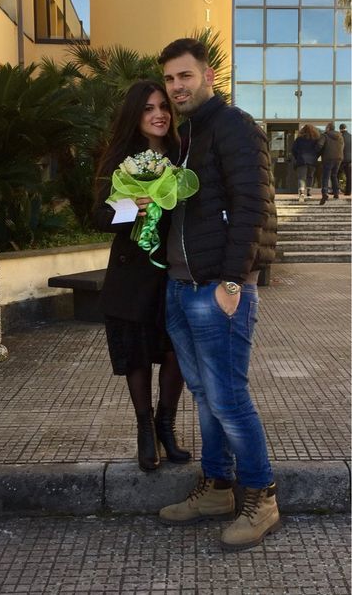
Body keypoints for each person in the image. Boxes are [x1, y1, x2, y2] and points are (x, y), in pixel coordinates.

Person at [156, 38, 279, 551]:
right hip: (182, 286)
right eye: (169, 79)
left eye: (184, 76)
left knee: (228, 398)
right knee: (206, 397)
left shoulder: (234, 126)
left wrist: (233, 281)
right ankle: (218, 487)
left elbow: (253, 205)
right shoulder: (185, 137)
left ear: (207, 76)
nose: (176, 87)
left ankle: (262, 497)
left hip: (218, 289)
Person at [92, 80, 191, 473]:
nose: (159, 114)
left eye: (163, 106)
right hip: (131, 273)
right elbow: (98, 216)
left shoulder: (183, 155)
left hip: (175, 270)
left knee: (176, 351)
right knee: (136, 352)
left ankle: (166, 425)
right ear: (135, 114)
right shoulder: (119, 159)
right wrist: (133, 207)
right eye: (149, 108)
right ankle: (145, 430)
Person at [290, 124, 322, 202]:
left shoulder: (299, 139)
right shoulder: (316, 139)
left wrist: (298, 156)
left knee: (301, 177)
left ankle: (301, 192)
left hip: (301, 160)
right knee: (310, 176)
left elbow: (293, 149)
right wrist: (315, 156)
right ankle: (309, 192)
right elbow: (318, 149)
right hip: (312, 160)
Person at [318, 122, 344, 205]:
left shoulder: (325, 135)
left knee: (325, 176)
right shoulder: (340, 136)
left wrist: (318, 154)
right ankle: (336, 193)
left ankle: (325, 193)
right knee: (334, 175)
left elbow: (319, 145)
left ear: (328, 128)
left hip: (328, 158)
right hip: (338, 158)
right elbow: (342, 146)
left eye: (326, 127)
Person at [339, 124, 351, 196]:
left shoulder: (340, 137)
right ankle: (348, 192)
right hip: (349, 159)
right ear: (346, 128)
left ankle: (336, 190)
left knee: (335, 175)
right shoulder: (351, 136)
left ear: (340, 129)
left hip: (341, 159)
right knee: (349, 176)